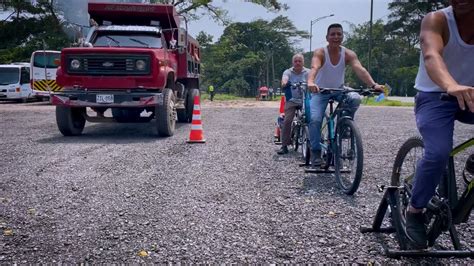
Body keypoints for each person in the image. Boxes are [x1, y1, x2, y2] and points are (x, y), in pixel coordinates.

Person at [404, 1, 474, 249]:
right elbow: (432, 54)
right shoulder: (437, 20)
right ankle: (415, 210)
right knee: (438, 153)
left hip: (472, 95)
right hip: (436, 95)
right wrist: (451, 85)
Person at [307, 23, 384, 166]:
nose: (336, 37)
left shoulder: (348, 54)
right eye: (333, 34)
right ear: (327, 37)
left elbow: (360, 69)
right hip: (320, 91)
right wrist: (311, 82)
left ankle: (344, 126)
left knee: (355, 98)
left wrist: (373, 85)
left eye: (339, 34)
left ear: (342, 36)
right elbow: (314, 67)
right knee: (315, 119)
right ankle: (316, 151)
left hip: (339, 89)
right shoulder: (321, 52)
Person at [277, 53, 310, 155]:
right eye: (295, 61)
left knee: (313, 118)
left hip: (305, 100)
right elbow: (284, 79)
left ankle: (315, 143)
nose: (297, 63)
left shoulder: (308, 72)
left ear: (303, 62)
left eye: (300, 61)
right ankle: (284, 145)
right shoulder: (288, 72)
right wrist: (285, 83)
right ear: (293, 62)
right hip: (291, 100)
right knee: (287, 121)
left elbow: (314, 80)